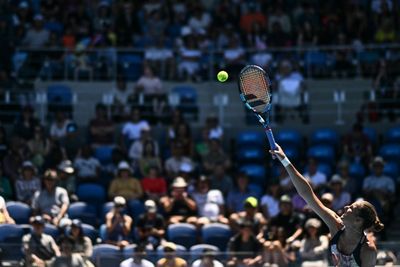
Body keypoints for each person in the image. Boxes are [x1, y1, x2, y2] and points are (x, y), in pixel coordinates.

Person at [270, 144, 384, 267]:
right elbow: (307, 194)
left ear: (358, 221)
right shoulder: (335, 225)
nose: (346, 207)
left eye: (351, 208)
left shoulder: (368, 250)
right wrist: (284, 159)